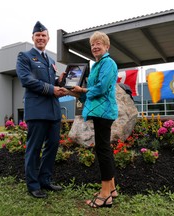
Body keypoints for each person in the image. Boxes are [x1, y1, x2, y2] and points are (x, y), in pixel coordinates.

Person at [16, 21, 66, 198]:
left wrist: (61, 82)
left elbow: (53, 84)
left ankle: (45, 180)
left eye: (43, 35)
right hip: (37, 110)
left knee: (52, 146)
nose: (40, 38)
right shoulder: (24, 56)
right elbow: (27, 81)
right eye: (38, 35)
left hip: (53, 111)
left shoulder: (50, 60)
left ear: (48, 39)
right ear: (32, 38)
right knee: (34, 148)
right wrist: (52, 89)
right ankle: (33, 185)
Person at [70, 31, 119, 208]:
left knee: (103, 150)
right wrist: (76, 93)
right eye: (92, 44)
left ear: (107, 46)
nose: (95, 46)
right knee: (103, 149)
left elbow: (101, 88)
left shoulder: (108, 63)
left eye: (99, 43)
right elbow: (92, 94)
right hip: (99, 111)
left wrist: (82, 91)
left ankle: (105, 195)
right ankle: (112, 188)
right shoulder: (98, 65)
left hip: (104, 112)